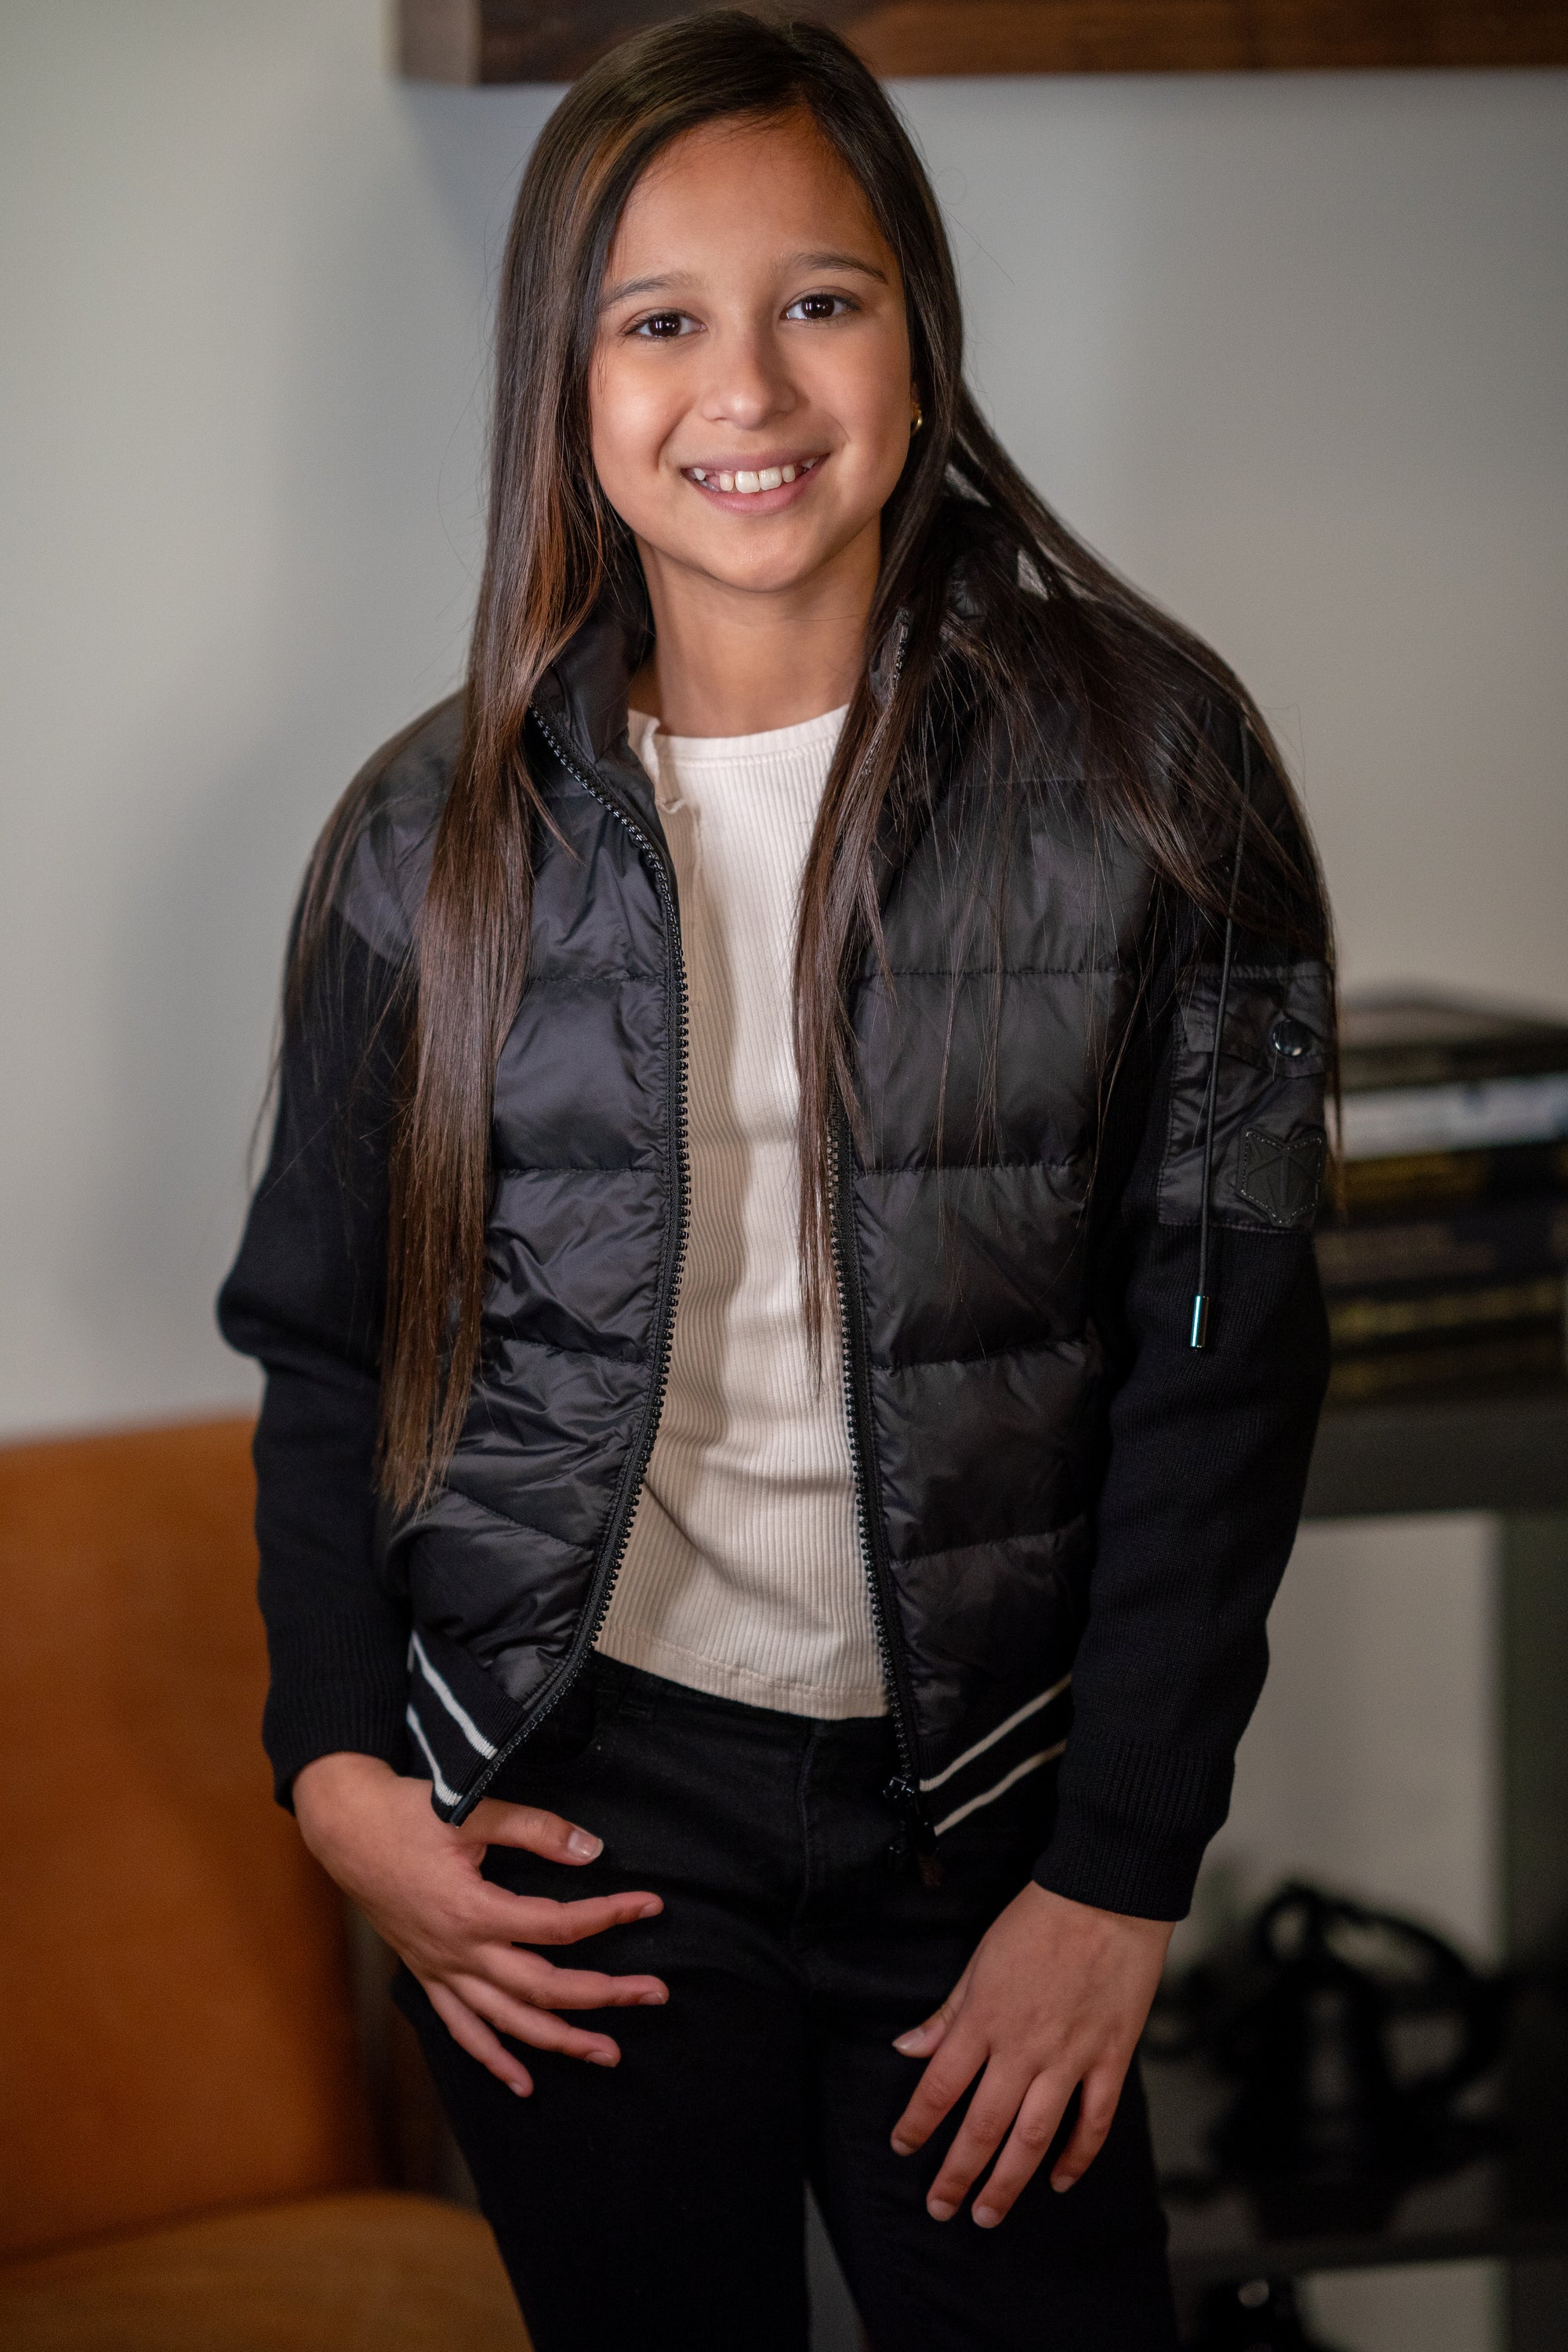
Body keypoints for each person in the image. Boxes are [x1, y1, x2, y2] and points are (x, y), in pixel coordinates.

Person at [219, 14, 1334, 2348]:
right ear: (566, 383)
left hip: (989, 1821)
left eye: (820, 299)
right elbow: (325, 1347)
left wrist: (1119, 1879)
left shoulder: (1158, 771)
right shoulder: (430, 840)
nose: (748, 385)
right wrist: (336, 1769)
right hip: (577, 1821)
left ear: (920, 333)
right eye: (660, 321)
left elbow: (1227, 1366)